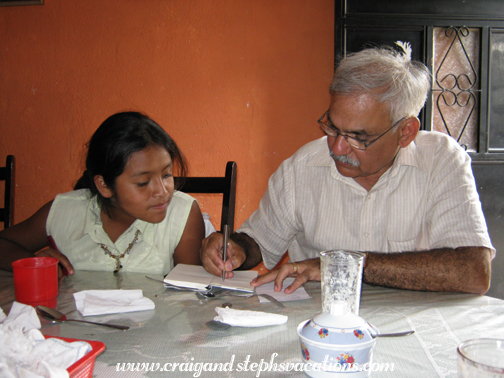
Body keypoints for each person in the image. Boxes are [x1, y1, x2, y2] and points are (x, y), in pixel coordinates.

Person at [201, 42, 494, 295]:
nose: (337, 148)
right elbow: (259, 243)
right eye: (332, 127)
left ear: (406, 132)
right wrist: (234, 248)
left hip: (415, 328)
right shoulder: (301, 168)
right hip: (321, 326)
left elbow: (472, 272)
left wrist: (339, 266)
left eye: (359, 137)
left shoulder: (441, 161)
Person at [0, 112, 205, 278]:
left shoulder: (181, 214)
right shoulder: (65, 211)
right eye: (143, 182)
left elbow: (189, 299)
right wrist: (32, 262)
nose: (162, 191)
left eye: (167, 174)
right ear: (104, 185)